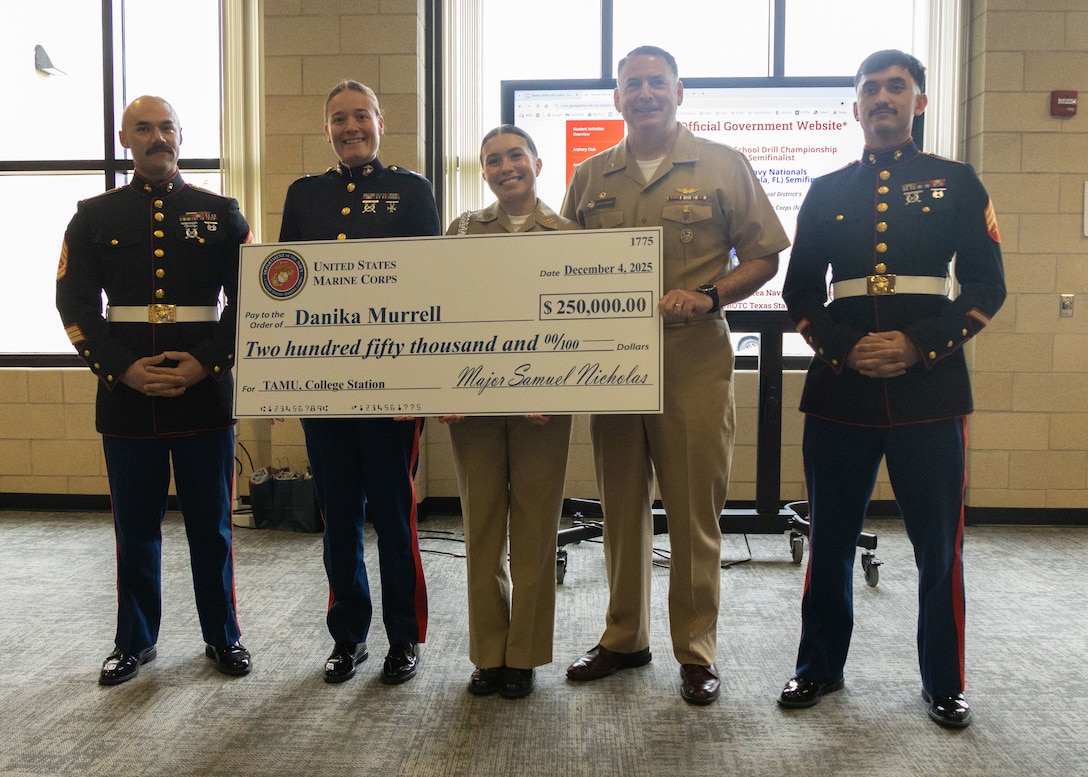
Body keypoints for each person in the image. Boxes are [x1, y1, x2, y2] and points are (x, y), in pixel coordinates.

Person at [776, 50, 1005, 728]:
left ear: (919, 102)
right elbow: (799, 295)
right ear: (855, 107)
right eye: (870, 89)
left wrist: (916, 344)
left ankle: (944, 681)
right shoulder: (826, 190)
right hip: (841, 393)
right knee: (831, 540)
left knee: (940, 548)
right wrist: (847, 348)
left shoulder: (958, 182)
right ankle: (818, 665)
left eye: (895, 87)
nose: (882, 98)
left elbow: (988, 287)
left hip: (930, 394)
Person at [560, 46, 789, 705]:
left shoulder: (723, 164)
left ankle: (696, 651)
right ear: (617, 98)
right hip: (610, 363)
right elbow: (558, 265)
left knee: (692, 513)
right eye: (633, 83)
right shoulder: (590, 175)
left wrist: (712, 295)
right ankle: (624, 637)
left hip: (692, 359)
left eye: (657, 82)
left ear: (679, 91)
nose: (645, 93)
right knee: (621, 507)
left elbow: (766, 253)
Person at [56, 95, 253, 685]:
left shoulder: (222, 213)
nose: (157, 137)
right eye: (144, 128)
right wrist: (121, 370)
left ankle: (223, 636)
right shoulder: (92, 216)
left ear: (181, 136)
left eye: (166, 127)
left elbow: (252, 304)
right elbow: (74, 304)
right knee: (134, 527)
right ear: (125, 139)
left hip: (204, 394)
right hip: (127, 397)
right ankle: (134, 640)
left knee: (212, 527)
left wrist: (205, 364)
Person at [278, 80, 440, 685]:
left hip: (393, 388)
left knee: (396, 516)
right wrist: (282, 382)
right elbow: (286, 293)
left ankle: (404, 637)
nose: (351, 128)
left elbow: (434, 292)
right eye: (338, 118)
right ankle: (348, 635)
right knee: (338, 514)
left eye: (361, 116)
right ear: (326, 129)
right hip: (323, 384)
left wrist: (422, 385)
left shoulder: (411, 190)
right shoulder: (304, 195)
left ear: (380, 121)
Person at [440, 125, 577, 699]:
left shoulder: (571, 234)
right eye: (492, 160)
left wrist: (559, 386)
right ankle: (488, 653)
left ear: (538, 163)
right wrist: (442, 386)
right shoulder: (462, 230)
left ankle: (523, 655)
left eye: (515, 155)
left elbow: (580, 322)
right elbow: (440, 311)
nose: (505, 167)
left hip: (542, 406)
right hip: (473, 405)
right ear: (484, 171)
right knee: (483, 530)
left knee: (536, 530)